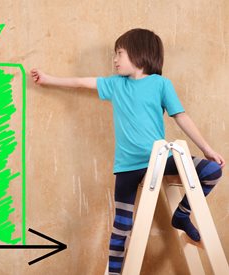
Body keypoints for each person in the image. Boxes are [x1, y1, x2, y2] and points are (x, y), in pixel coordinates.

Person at [30, 28, 225, 274]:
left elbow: (181, 116)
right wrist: (48, 79)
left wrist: (207, 149)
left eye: (119, 53)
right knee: (122, 226)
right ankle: (114, 272)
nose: (114, 59)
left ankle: (182, 216)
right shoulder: (115, 85)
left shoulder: (161, 84)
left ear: (139, 53)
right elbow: (81, 82)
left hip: (159, 160)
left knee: (211, 171)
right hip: (127, 166)